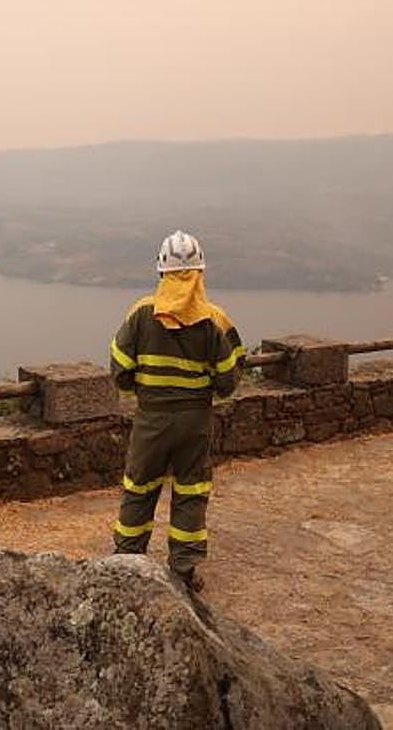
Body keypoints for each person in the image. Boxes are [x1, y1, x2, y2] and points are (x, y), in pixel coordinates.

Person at [108, 230, 245, 592]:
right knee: (191, 490)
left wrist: (142, 391)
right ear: (200, 274)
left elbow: (120, 368)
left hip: (151, 418)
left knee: (139, 487)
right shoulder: (215, 320)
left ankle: (127, 562)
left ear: (162, 273)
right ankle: (183, 570)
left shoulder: (141, 314)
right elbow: (230, 379)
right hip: (195, 421)